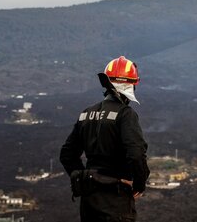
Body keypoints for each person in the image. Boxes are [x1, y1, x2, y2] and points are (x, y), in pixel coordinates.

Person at [60, 56, 149, 222]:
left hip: (89, 201)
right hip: (116, 198)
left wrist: (85, 178)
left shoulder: (86, 113)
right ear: (132, 85)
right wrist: (139, 185)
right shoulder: (125, 114)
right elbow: (136, 153)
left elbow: (67, 154)